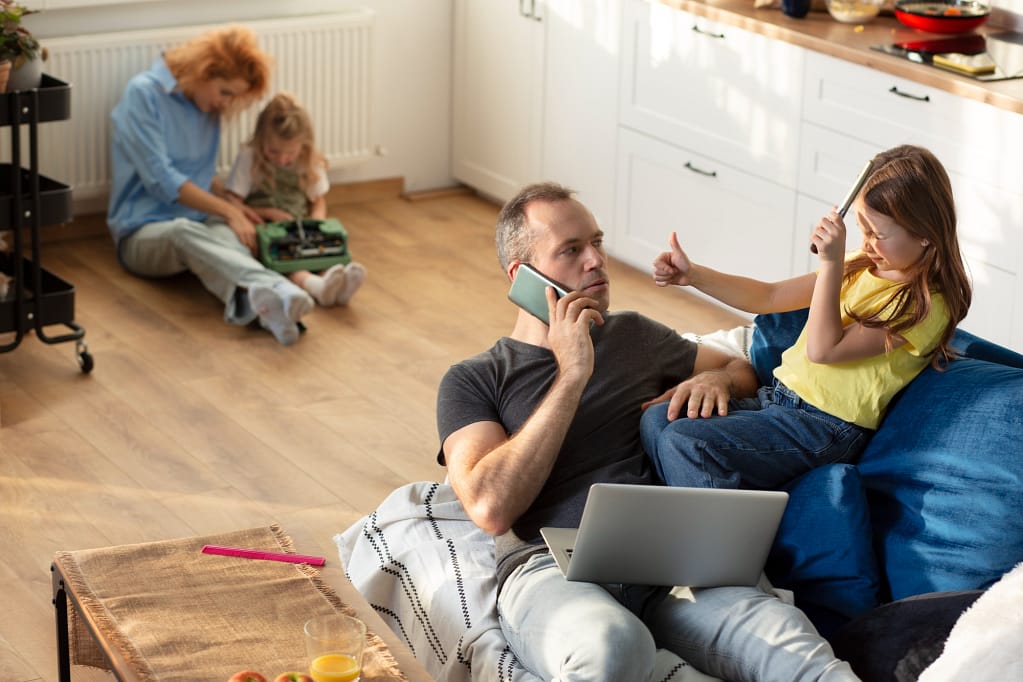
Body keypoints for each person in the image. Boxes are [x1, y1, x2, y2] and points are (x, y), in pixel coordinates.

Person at [437, 181, 860, 681]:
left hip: (668, 561)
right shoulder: (476, 378)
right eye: (572, 250)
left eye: (596, 241)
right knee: (615, 644)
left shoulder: (634, 335)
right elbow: (490, 505)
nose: (596, 260)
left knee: (789, 643)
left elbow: (739, 368)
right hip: (551, 570)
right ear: (521, 275)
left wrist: (715, 377)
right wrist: (573, 374)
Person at [642, 144, 972, 491]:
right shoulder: (860, 265)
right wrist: (693, 275)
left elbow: (823, 350)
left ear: (924, 235)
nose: (868, 243)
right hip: (778, 400)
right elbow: (767, 296)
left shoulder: (927, 305)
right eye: (862, 230)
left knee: (687, 441)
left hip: (825, 426)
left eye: (878, 234)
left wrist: (830, 264)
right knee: (658, 419)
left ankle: (721, 539)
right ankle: (706, 508)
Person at [108, 26, 315, 346]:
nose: (227, 103)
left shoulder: (205, 106)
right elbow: (164, 181)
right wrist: (228, 211)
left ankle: (268, 312)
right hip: (142, 232)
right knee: (183, 232)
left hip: (199, 219)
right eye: (225, 92)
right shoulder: (143, 95)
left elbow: (200, 177)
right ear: (203, 72)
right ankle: (277, 287)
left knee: (230, 239)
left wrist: (239, 209)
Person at [224, 92, 367, 308]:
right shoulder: (249, 157)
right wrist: (266, 213)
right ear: (261, 138)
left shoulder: (309, 161)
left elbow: (318, 200)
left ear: (304, 144)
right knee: (289, 263)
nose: (282, 159)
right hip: (265, 229)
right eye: (273, 151)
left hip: (300, 227)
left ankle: (339, 285)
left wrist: (317, 223)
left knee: (323, 254)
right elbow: (232, 201)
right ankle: (315, 287)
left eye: (290, 153)